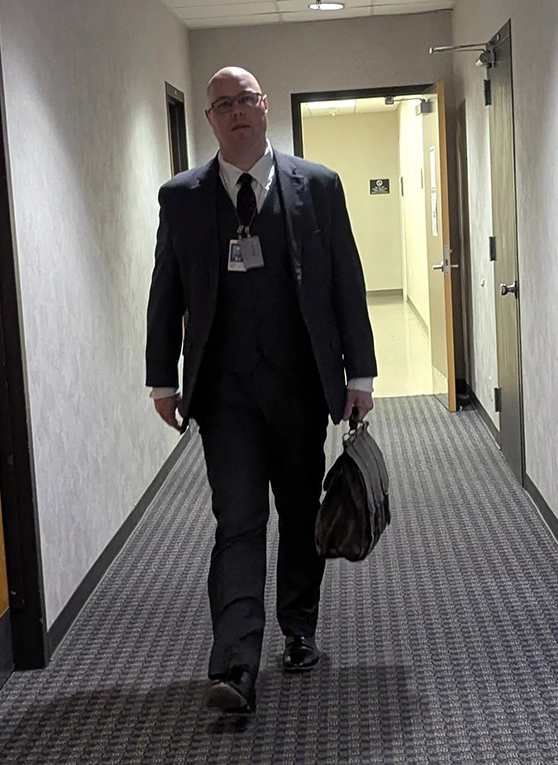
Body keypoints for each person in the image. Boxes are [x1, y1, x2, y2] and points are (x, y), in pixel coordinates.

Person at [145, 66, 377, 715]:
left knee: (301, 512)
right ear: (210, 119)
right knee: (238, 520)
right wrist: (162, 378)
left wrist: (359, 375)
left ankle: (299, 629)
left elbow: (346, 280)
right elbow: (166, 291)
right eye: (223, 104)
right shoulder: (182, 197)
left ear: (265, 106)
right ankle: (235, 663)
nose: (236, 111)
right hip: (224, 397)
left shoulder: (317, 185)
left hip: (300, 385)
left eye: (245, 99)